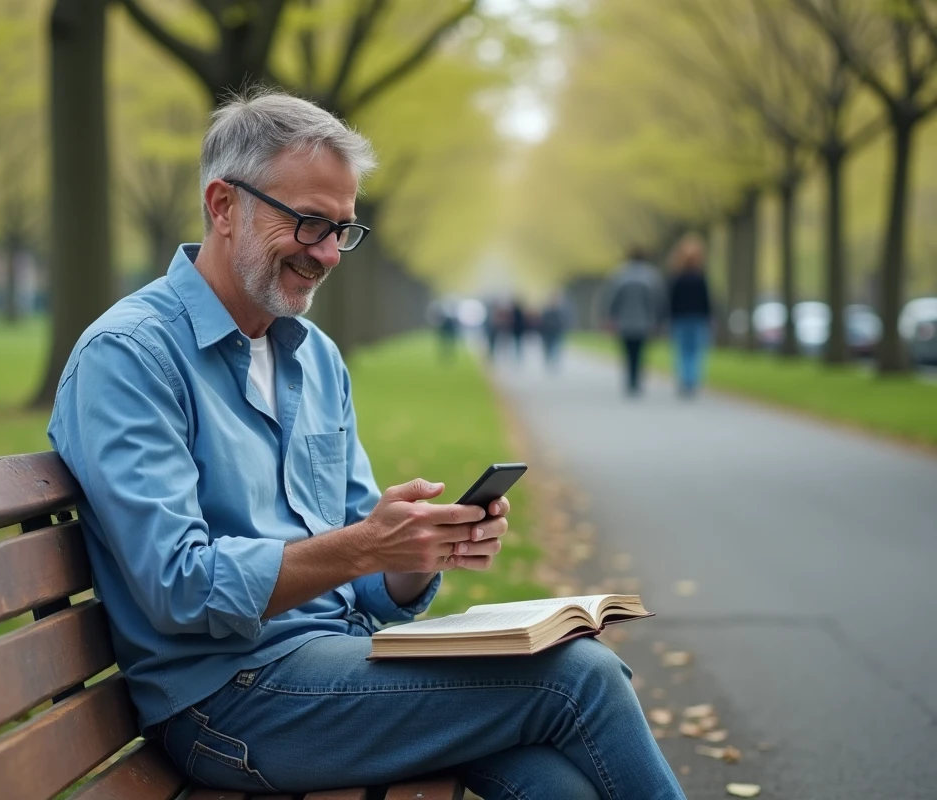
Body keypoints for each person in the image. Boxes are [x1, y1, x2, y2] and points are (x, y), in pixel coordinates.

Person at [48, 89, 684, 799]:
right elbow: (179, 588)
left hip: (340, 663)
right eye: (310, 224)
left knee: (553, 781)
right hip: (224, 700)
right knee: (578, 679)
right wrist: (364, 546)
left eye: (343, 229)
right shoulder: (130, 357)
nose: (327, 254)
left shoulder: (315, 357)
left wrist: (415, 554)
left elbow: (368, 582)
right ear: (224, 206)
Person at [603, 247, 666, 396]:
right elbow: (658, 300)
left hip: (624, 321)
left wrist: (610, 317)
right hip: (645, 322)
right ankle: (636, 380)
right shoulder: (652, 275)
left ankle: (630, 379)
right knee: (640, 352)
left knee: (628, 352)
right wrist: (659, 319)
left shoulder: (620, 275)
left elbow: (613, 299)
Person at [667, 234, 713, 396]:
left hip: (680, 319)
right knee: (696, 351)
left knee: (682, 351)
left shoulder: (677, 278)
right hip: (698, 319)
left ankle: (685, 380)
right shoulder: (700, 277)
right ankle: (692, 380)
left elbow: (672, 301)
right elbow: (707, 300)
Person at [538, 291, 573, 372]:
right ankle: (549, 362)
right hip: (547, 332)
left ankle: (555, 363)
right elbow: (542, 322)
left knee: (556, 348)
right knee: (548, 348)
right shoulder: (546, 311)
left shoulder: (559, 311)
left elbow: (563, 321)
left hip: (556, 332)